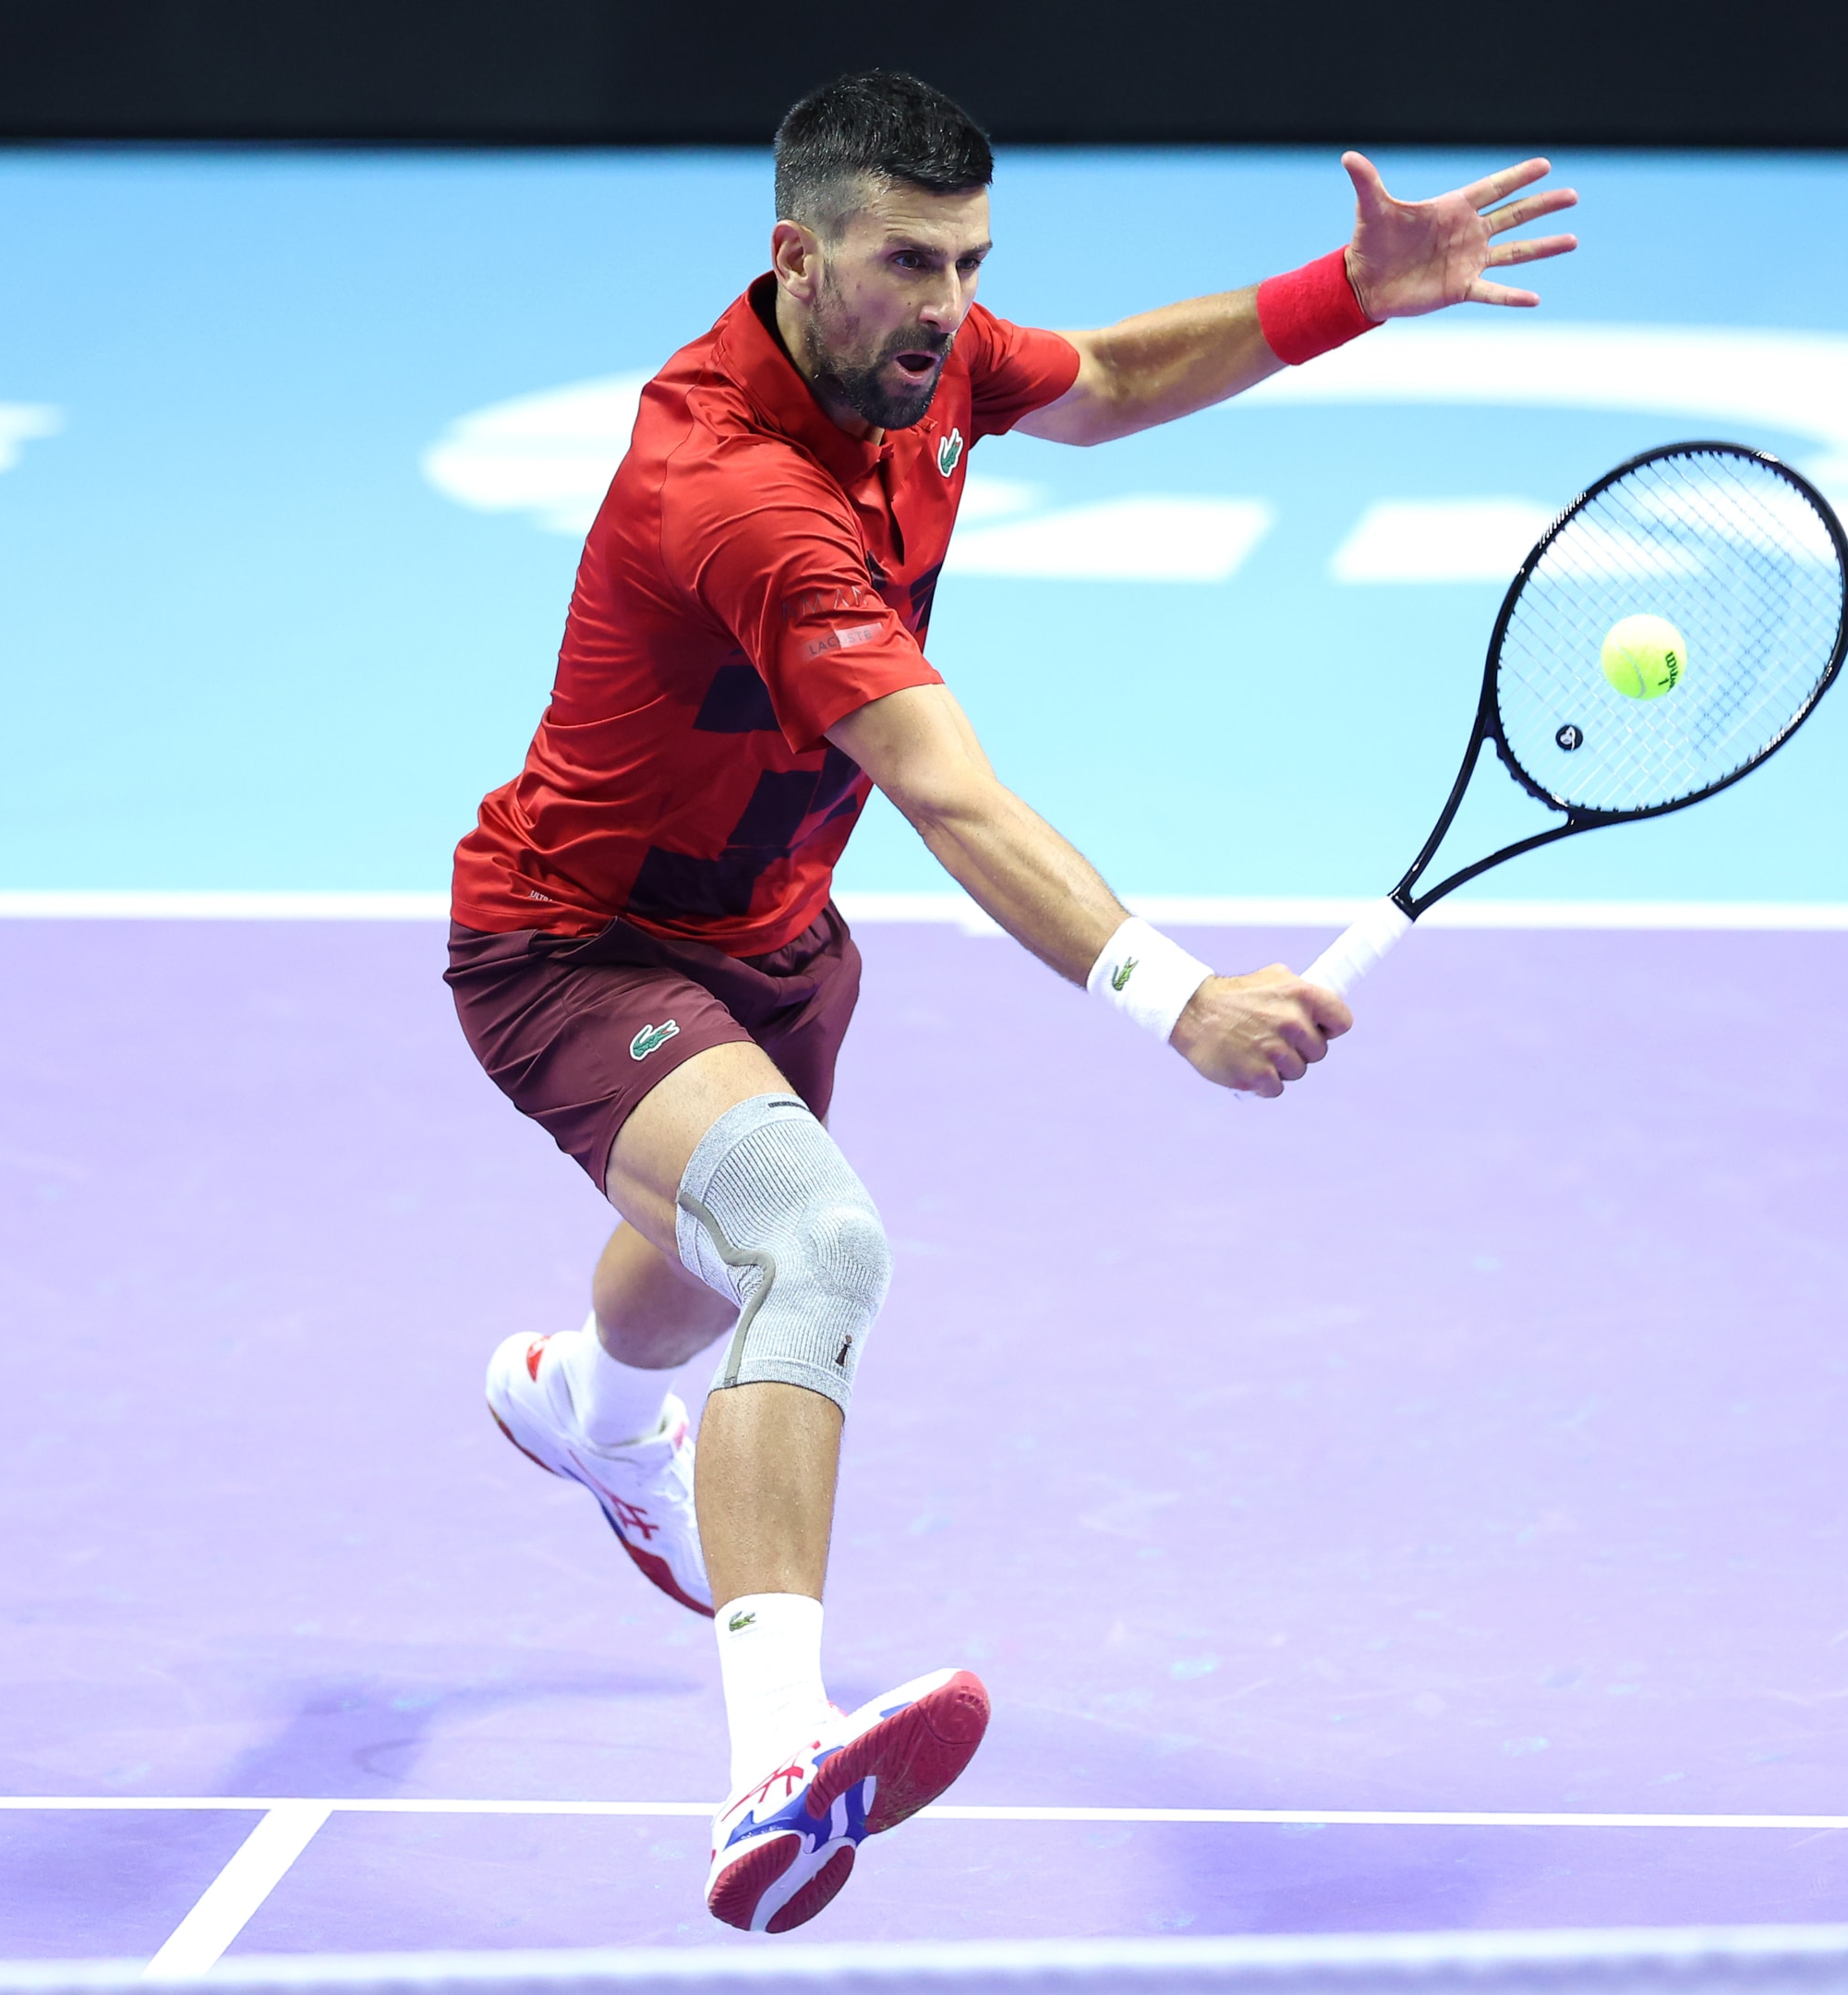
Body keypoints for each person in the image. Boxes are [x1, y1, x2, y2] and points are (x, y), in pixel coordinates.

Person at [451, 71, 1576, 1933]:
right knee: (814, 1246)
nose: (948, 302)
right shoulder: (737, 493)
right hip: (581, 947)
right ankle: (772, 1758)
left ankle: (584, 1408)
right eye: (909, 263)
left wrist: (1349, 293)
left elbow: (1113, 381)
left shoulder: (926, 361)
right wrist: (1178, 997)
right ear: (795, 256)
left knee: (693, 1260)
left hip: (773, 938)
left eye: (971, 263)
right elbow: (949, 788)